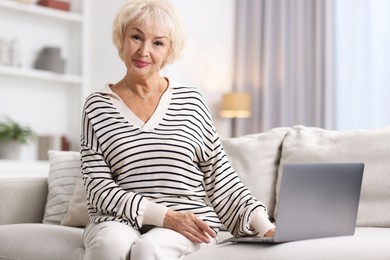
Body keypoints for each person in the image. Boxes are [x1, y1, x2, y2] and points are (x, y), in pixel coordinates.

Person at [80, 0, 275, 259]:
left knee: (149, 248)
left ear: (170, 49)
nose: (144, 51)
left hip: (188, 223)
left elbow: (220, 177)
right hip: (118, 220)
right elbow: (98, 187)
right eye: (136, 37)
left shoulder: (191, 101)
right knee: (109, 244)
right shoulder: (97, 106)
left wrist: (266, 227)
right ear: (122, 38)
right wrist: (164, 217)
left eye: (157, 42)